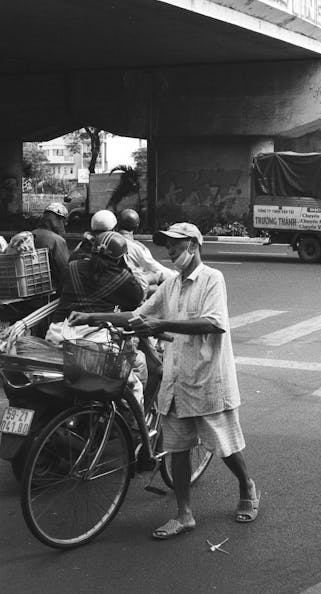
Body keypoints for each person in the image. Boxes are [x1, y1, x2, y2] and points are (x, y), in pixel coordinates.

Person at [68, 221, 260, 539]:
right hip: (176, 377)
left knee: (225, 446)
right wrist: (93, 317)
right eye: (168, 246)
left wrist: (159, 326)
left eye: (176, 245)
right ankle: (184, 514)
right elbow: (139, 314)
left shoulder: (213, 279)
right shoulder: (171, 285)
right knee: (178, 449)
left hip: (207, 377)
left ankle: (247, 485)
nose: (170, 252)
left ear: (194, 246)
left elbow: (212, 322)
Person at [46, 230, 146, 402]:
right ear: (120, 258)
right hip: (94, 344)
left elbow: (63, 291)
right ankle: (136, 427)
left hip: (56, 336)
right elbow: (137, 299)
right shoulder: (124, 278)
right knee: (134, 387)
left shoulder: (72, 267)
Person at [117, 208, 175, 292]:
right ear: (137, 226)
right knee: (158, 278)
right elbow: (154, 268)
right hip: (127, 287)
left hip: (111, 284)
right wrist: (175, 275)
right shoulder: (135, 247)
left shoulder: (107, 241)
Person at [32, 202, 70, 294]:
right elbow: (65, 271)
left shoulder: (30, 235)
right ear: (58, 220)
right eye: (63, 222)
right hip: (50, 291)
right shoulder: (57, 240)